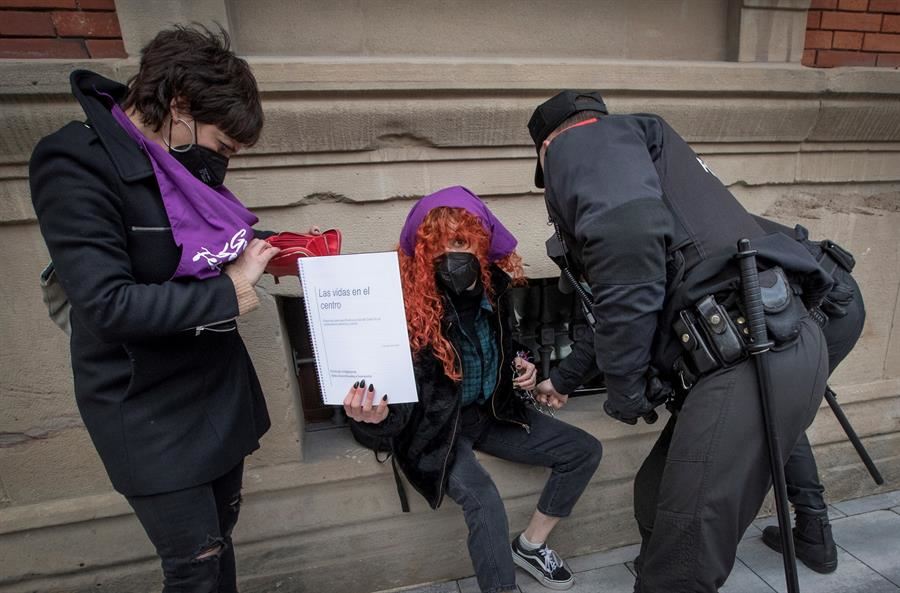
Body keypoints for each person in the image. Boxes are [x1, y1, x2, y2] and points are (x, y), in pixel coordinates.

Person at [526, 91, 833, 592]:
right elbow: (619, 299)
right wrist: (570, 375)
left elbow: (628, 248)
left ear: (548, 146)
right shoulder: (653, 149)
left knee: (681, 563)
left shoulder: (581, 144)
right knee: (654, 496)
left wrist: (624, 389)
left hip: (744, 357)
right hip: (775, 344)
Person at [30, 25, 278, 592]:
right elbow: (107, 305)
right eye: (222, 148)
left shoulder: (181, 161)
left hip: (215, 389)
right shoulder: (74, 161)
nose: (222, 167)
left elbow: (203, 244)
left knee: (220, 543)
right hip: (144, 405)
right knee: (193, 565)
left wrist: (276, 249)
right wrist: (231, 291)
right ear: (179, 107)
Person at [344, 186, 603, 593]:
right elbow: (386, 410)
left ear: (480, 245)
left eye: (462, 242)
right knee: (483, 499)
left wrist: (523, 367)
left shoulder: (494, 290)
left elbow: (508, 343)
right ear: (424, 254)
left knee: (584, 450)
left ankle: (531, 546)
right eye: (440, 246)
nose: (453, 256)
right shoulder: (401, 311)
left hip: (489, 415)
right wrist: (371, 418)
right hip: (435, 432)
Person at [754, 218, 866, 574]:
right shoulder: (696, 194)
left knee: (781, 411)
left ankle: (815, 537)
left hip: (822, 307)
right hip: (834, 295)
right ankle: (814, 533)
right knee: (783, 409)